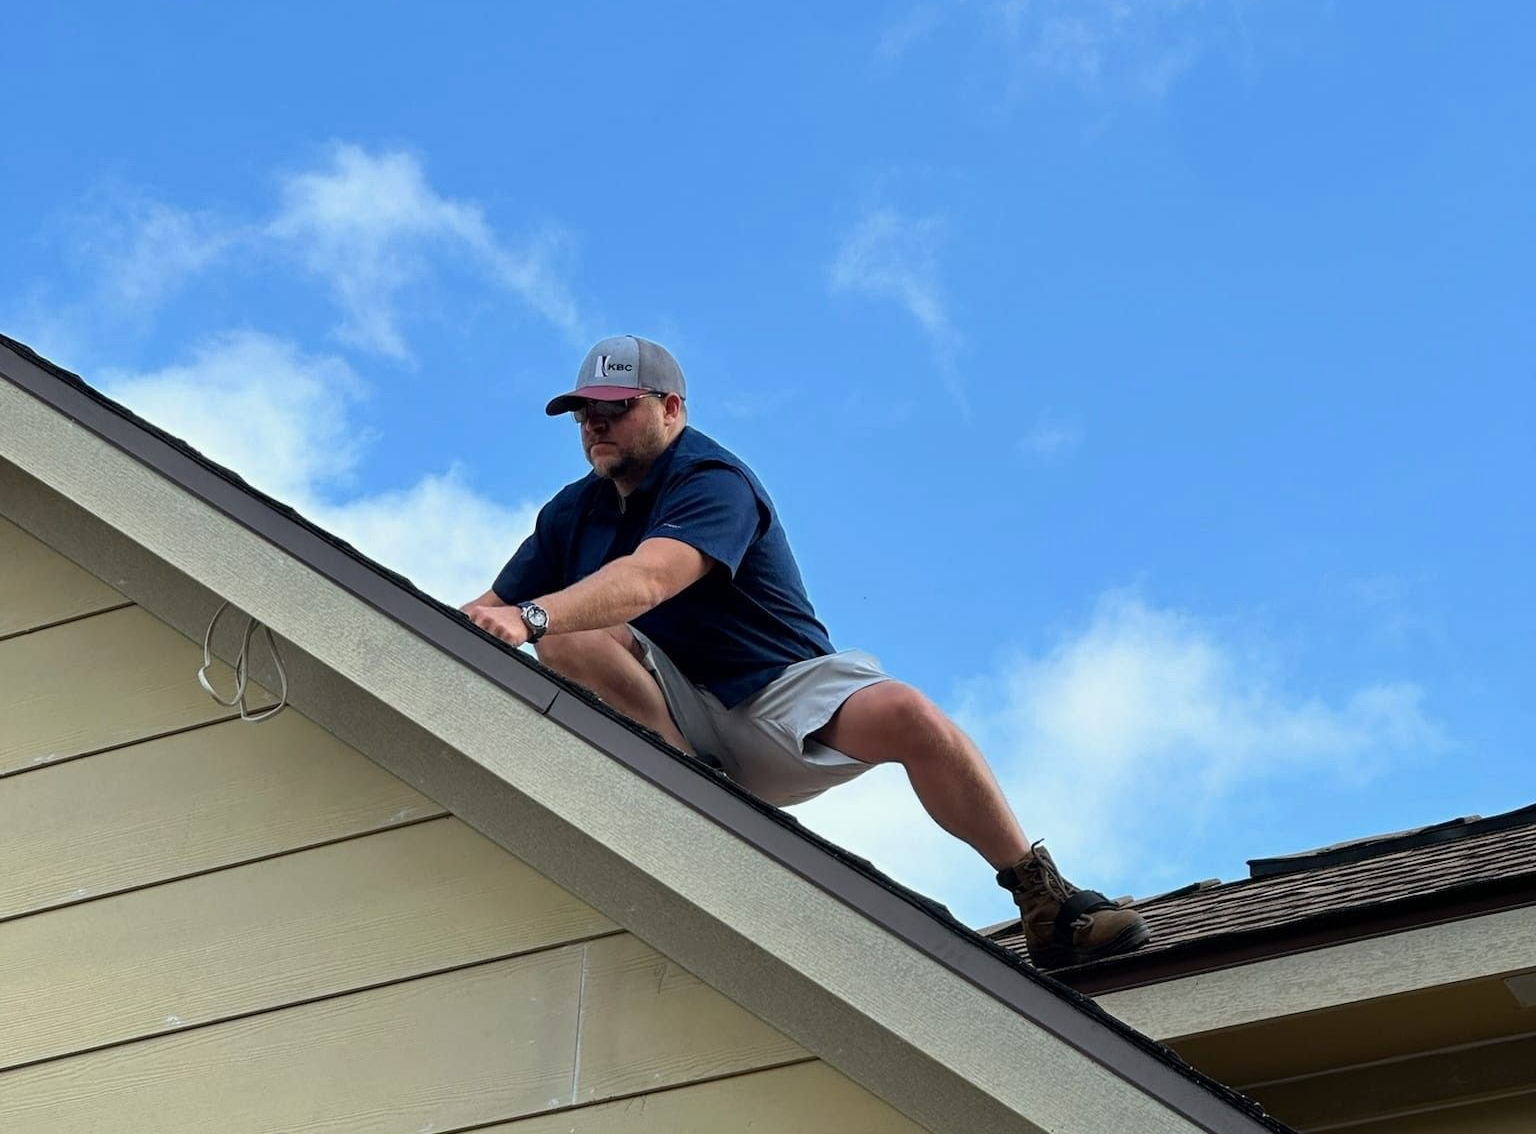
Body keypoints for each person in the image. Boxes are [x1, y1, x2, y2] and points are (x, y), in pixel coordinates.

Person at [461, 335, 1149, 968]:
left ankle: (1047, 903)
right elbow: (487, 614)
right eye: (583, 413)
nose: (594, 425)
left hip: (777, 698)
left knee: (909, 713)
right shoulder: (571, 513)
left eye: (614, 408)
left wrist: (532, 616)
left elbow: (649, 579)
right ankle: (690, 787)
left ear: (671, 408)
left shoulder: (710, 480)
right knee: (565, 633)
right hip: (670, 710)